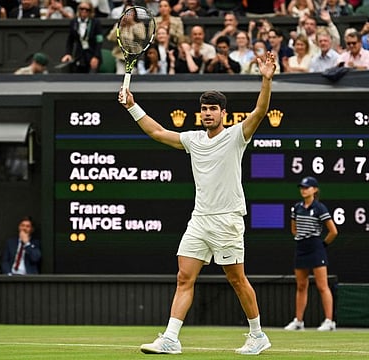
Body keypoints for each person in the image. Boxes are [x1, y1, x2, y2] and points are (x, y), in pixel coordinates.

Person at [118, 48, 277, 356]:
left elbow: (259, 112)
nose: (207, 113)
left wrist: (266, 81)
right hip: (199, 220)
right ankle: (170, 338)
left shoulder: (235, 136)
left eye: (213, 109)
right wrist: (132, 107)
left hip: (228, 219)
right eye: (204, 109)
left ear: (223, 114)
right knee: (183, 277)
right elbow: (158, 132)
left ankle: (257, 335)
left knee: (236, 279)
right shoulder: (192, 140)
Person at [284, 176, 338, 331]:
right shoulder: (296, 207)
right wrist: (300, 237)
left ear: (315, 190)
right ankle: (299, 322)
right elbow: (294, 229)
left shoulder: (320, 208)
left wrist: (322, 245)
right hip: (301, 248)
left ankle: (329, 321)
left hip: (316, 248)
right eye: (302, 187)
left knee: (322, 286)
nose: (303, 190)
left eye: (306, 187)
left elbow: (333, 231)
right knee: (301, 286)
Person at [60, 1, 103, 73]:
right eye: (82, 9)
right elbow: (70, 40)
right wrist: (68, 53)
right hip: (79, 55)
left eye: (87, 10)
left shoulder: (95, 23)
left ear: (90, 11)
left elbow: (99, 41)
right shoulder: (74, 22)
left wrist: (96, 57)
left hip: (92, 55)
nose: (84, 11)